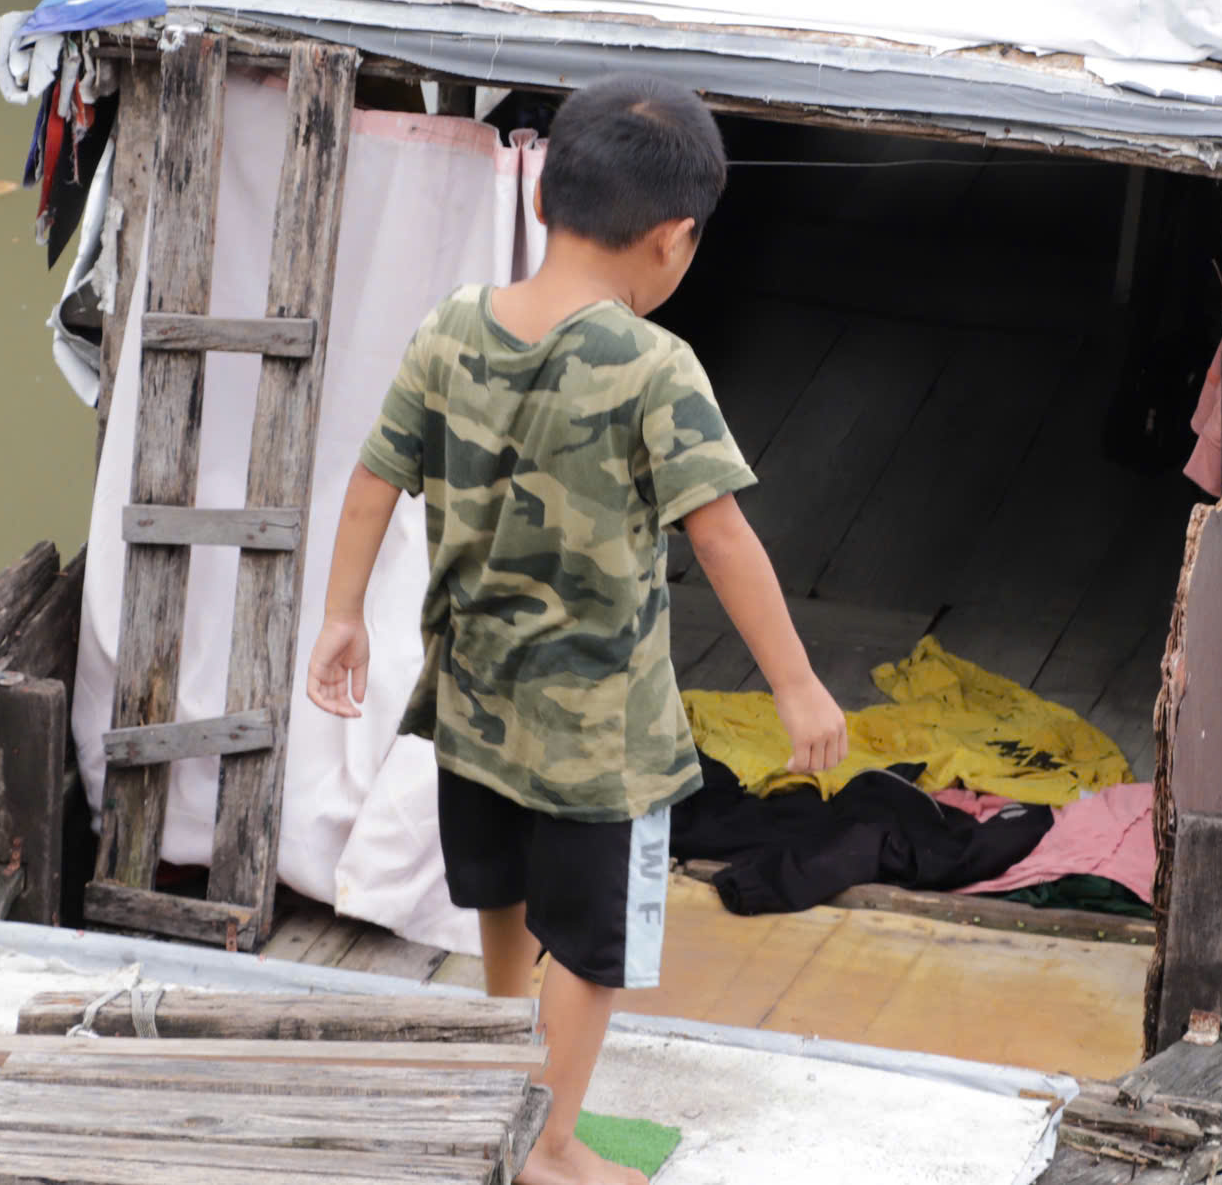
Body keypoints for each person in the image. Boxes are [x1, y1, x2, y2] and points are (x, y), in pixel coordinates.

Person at [306, 74, 849, 1185]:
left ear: (545, 197)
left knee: (500, 897)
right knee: (594, 947)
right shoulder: (654, 367)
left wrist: (342, 616)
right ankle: (547, 1144)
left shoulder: (452, 323)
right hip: (602, 740)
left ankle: (503, 1075)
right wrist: (796, 685)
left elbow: (372, 477)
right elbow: (724, 537)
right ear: (674, 239)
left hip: (472, 705)